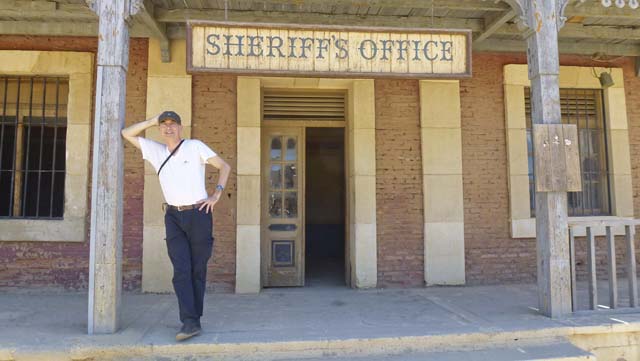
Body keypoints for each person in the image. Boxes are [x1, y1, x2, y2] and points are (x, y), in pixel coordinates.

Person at [121, 110, 231, 341]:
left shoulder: (195, 146)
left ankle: (194, 318)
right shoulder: (156, 151)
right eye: (164, 124)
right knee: (181, 270)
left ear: (181, 127)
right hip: (173, 216)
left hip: (199, 213)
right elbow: (126, 133)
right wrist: (151, 120)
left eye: (172, 124)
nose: (168, 128)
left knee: (197, 270)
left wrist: (216, 195)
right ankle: (189, 322)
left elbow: (224, 167)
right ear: (159, 129)